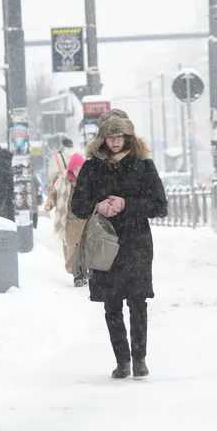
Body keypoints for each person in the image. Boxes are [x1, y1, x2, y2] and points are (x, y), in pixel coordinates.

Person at [71, 109, 167, 380]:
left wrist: (128, 204)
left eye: (120, 136)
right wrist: (97, 206)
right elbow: (77, 205)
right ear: (101, 138)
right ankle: (122, 360)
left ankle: (139, 358)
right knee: (111, 303)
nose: (115, 141)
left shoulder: (143, 165)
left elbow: (160, 205)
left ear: (129, 136)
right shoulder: (91, 167)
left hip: (136, 241)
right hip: (104, 242)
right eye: (110, 136)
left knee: (138, 302)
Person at [44, 152, 88, 287]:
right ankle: (77, 275)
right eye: (75, 169)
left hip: (86, 220)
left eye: (80, 168)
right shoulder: (62, 181)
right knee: (72, 250)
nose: (78, 171)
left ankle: (84, 271)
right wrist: (50, 203)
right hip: (69, 221)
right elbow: (54, 194)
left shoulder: (89, 181)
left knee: (86, 248)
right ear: (71, 170)